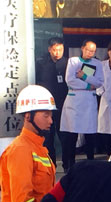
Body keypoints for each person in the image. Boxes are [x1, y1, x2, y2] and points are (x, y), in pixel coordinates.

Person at [61, 40, 104, 171]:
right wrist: (88, 86)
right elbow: (70, 80)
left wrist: (85, 76)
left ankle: (90, 163)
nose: (90, 53)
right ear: (82, 48)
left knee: (89, 133)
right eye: (88, 50)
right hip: (74, 100)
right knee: (72, 134)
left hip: (89, 101)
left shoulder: (97, 63)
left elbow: (99, 82)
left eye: (93, 51)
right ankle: (70, 164)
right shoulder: (73, 61)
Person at [36, 37, 69, 171]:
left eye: (60, 49)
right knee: (48, 138)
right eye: (55, 50)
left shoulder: (67, 63)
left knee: (65, 136)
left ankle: (67, 165)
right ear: (50, 49)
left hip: (63, 105)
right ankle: (51, 165)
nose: (57, 53)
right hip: (46, 106)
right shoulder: (40, 63)